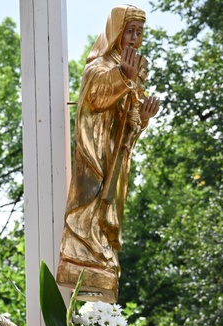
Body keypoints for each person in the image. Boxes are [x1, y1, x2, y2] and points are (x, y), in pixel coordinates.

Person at [56, 4, 160, 303]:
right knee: (90, 199)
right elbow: (97, 99)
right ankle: (81, 253)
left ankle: (99, 252)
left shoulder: (137, 69)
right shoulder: (98, 66)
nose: (135, 39)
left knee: (107, 206)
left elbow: (131, 123)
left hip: (114, 152)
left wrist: (143, 117)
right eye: (130, 31)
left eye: (140, 33)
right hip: (95, 149)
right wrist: (123, 76)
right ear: (116, 31)